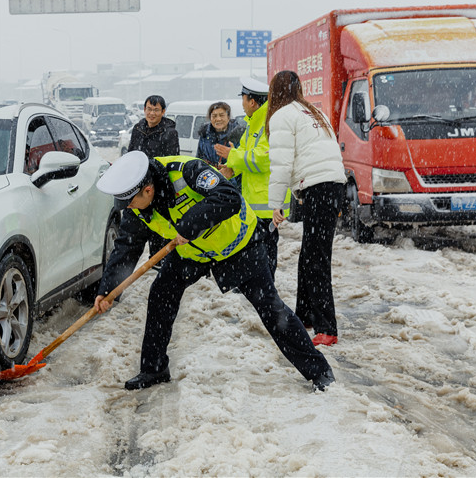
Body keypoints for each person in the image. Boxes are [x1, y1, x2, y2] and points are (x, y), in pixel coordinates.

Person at [94, 150, 335, 392]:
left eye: (131, 202)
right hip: (194, 254)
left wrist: (190, 224)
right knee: (161, 293)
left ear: (148, 190)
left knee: (270, 307)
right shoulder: (137, 207)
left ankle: (319, 371)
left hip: (240, 245)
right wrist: (108, 290)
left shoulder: (186, 171)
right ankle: (153, 368)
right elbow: (126, 246)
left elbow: (228, 196)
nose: (130, 209)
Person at [266, 70, 346, 347]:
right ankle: (306, 314)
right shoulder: (312, 111)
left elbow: (281, 165)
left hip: (319, 187)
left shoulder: (282, 115)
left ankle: (327, 328)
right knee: (310, 253)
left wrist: (275, 204)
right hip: (332, 185)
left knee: (317, 257)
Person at [216, 77, 290, 278]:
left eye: (243, 99)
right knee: (254, 248)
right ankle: (256, 285)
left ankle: (266, 288)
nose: (242, 104)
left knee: (266, 251)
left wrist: (231, 156)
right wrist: (232, 168)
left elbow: (263, 159)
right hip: (254, 202)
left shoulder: (269, 124)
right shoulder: (252, 124)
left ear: (252, 102)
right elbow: (244, 153)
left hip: (267, 203)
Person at [126, 94, 180, 260]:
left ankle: (159, 260)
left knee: (160, 227)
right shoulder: (137, 129)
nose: (152, 113)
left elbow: (171, 161)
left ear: (163, 111)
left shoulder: (170, 133)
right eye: (149, 109)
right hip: (138, 186)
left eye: (156, 110)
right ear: (144, 110)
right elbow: (131, 155)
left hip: (158, 186)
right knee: (137, 229)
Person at [195, 101, 245, 169]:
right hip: (209, 177)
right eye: (214, 116)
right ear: (210, 118)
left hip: (231, 177)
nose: (218, 119)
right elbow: (199, 159)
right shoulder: (204, 135)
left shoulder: (238, 135)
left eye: (221, 115)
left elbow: (242, 161)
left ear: (228, 117)